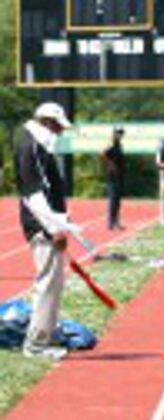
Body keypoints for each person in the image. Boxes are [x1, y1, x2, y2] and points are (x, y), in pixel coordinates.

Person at [14, 102, 72, 360]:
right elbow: (34, 193)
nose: (60, 132)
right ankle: (36, 344)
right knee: (48, 282)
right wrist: (53, 229)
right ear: (47, 121)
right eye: (58, 126)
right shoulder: (31, 147)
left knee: (52, 282)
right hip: (41, 226)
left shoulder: (38, 146)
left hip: (47, 225)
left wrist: (61, 224)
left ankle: (43, 334)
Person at [101, 127, 126, 230]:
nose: (120, 135)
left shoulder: (119, 144)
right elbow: (102, 154)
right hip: (112, 175)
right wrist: (110, 165)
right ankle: (111, 222)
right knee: (113, 198)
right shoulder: (110, 144)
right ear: (114, 133)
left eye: (121, 133)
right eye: (118, 133)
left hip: (120, 174)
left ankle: (116, 221)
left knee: (118, 199)